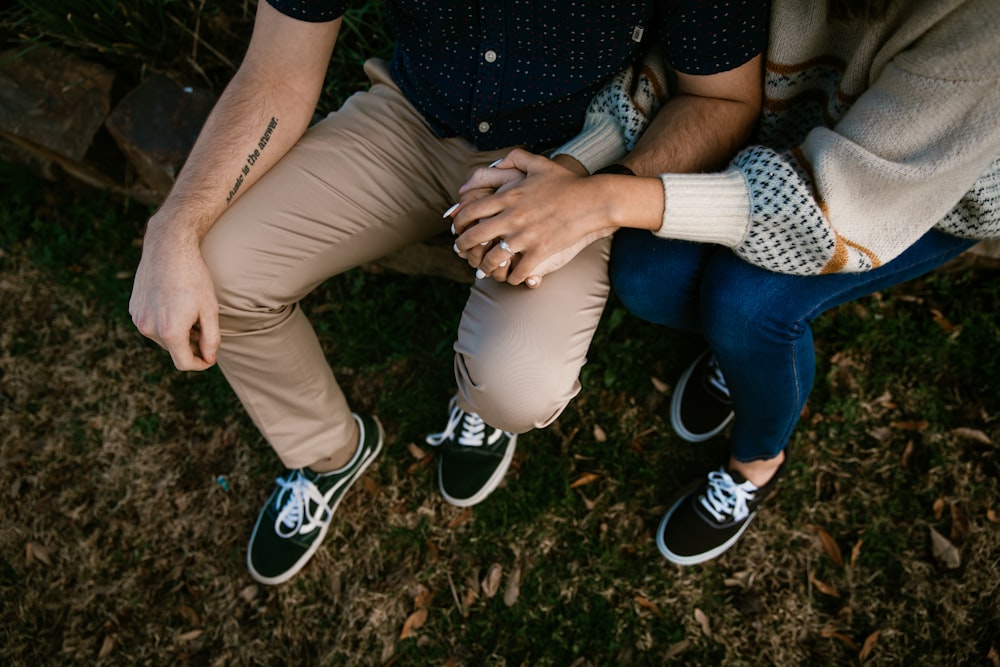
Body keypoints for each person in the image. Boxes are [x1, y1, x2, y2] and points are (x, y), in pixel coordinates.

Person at [128, 1, 770, 584]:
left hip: (571, 160)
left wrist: (595, 200)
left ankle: (480, 408)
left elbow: (723, 99)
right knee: (216, 272)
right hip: (408, 121)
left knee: (515, 384)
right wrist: (175, 222)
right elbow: (277, 69)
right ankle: (329, 453)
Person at [451, 0, 999, 566]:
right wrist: (575, 170)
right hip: (782, 126)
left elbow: (842, 208)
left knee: (747, 306)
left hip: (912, 190)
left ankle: (757, 462)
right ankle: (735, 356)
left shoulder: (980, 24)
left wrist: (600, 200)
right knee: (645, 273)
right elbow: (694, 57)